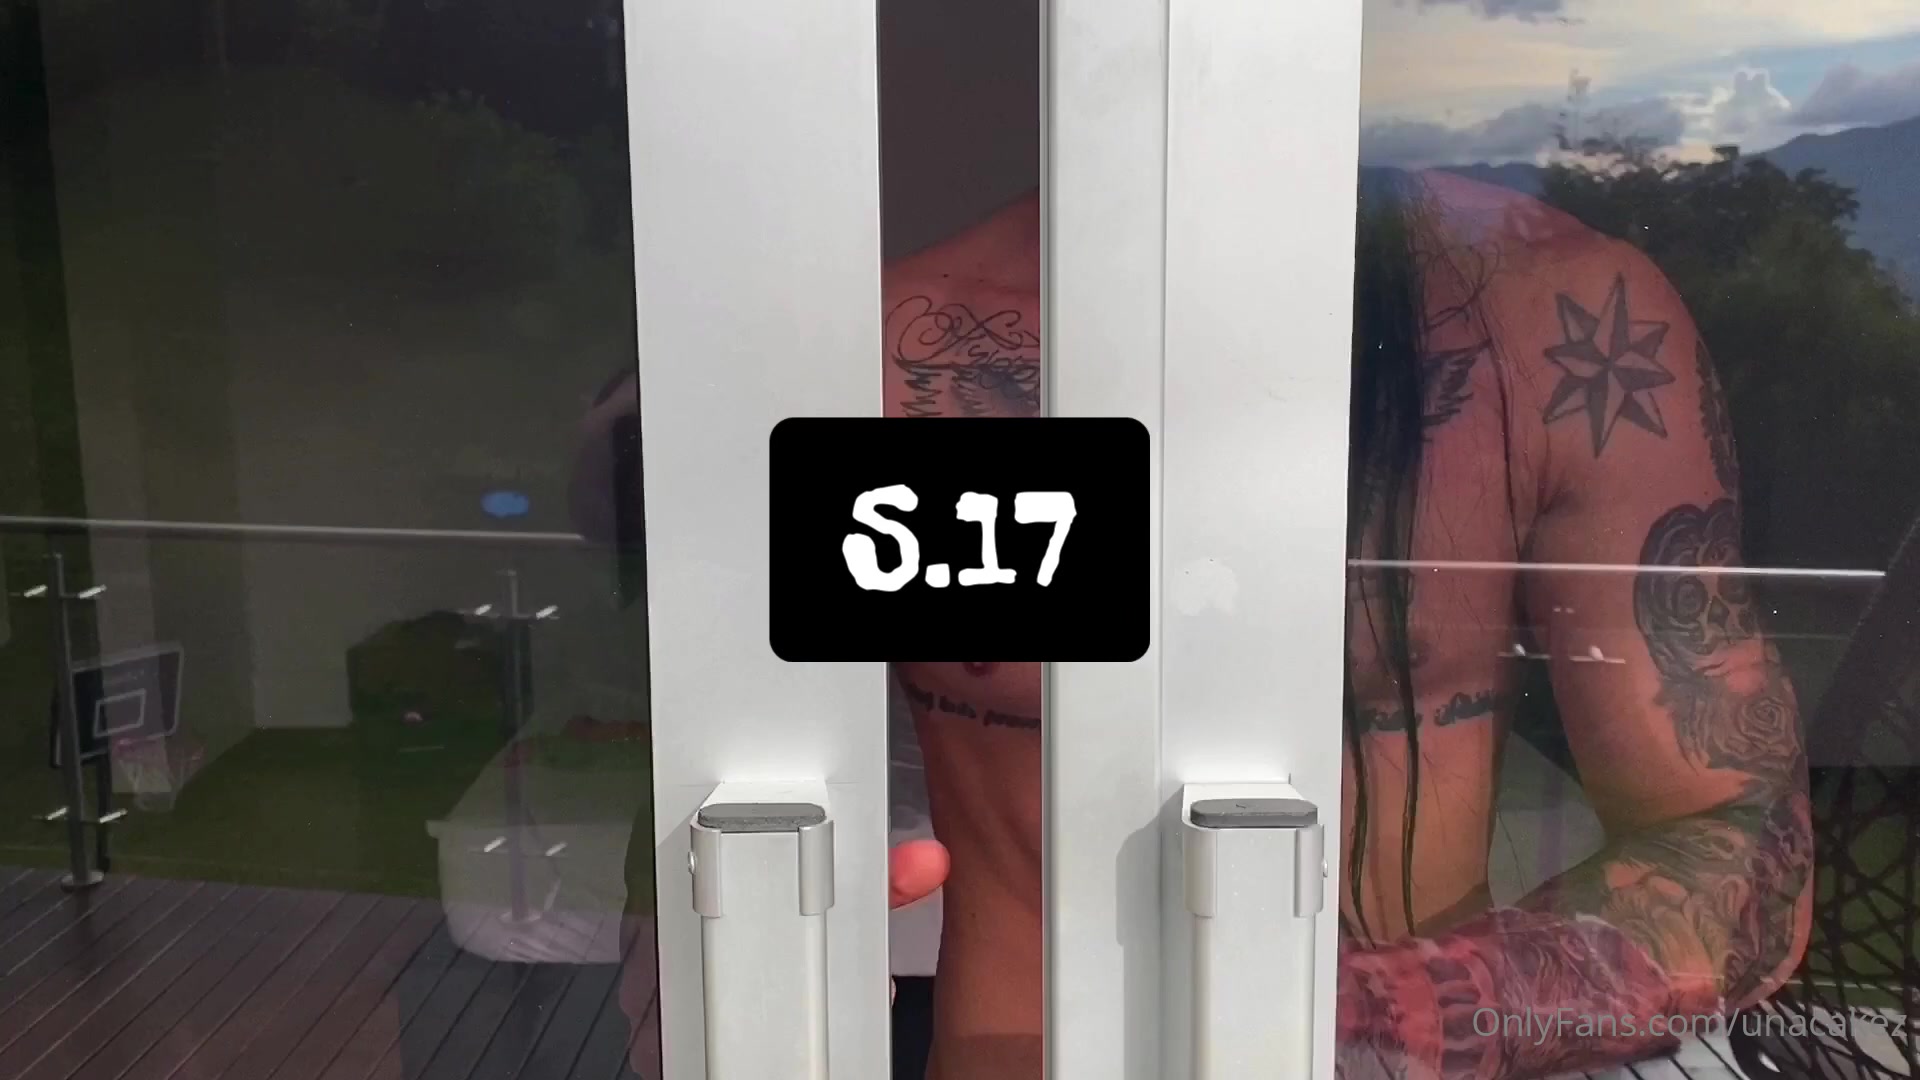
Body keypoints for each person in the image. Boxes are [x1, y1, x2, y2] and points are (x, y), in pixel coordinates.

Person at [573, 169, 1812, 1080]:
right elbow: (703, 818)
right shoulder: (889, 362)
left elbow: (1740, 838)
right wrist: (758, 980)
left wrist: (1385, 1020)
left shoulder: (1552, 324)